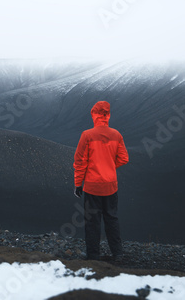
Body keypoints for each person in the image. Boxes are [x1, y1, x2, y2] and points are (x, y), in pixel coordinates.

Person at [73, 101, 129, 261]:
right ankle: (117, 253)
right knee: (112, 218)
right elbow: (124, 158)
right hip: (111, 185)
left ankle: (93, 255)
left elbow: (80, 161)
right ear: (108, 115)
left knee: (92, 221)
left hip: (92, 187)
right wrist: (110, 165)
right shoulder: (116, 135)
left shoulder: (87, 135)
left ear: (94, 115)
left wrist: (78, 183)